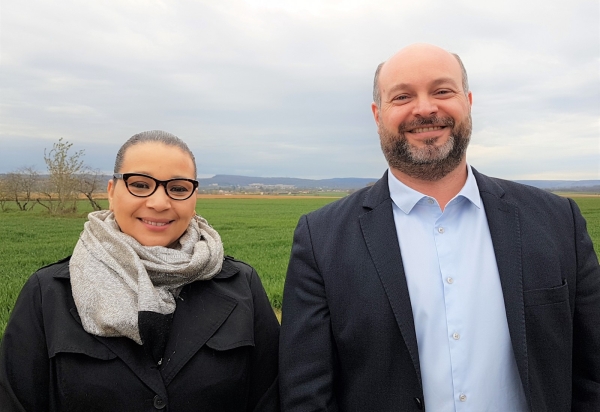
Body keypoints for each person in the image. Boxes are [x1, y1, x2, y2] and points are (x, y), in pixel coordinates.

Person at [279, 43, 600, 411]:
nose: (425, 108)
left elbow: (592, 373)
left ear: (468, 101)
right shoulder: (321, 239)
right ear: (377, 114)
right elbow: (306, 394)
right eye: (402, 96)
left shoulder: (558, 221)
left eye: (442, 91)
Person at [0, 130, 280, 412]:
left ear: (194, 198)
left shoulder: (242, 286)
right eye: (141, 185)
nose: (159, 202)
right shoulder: (48, 292)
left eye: (178, 188)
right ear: (111, 192)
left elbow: (270, 398)